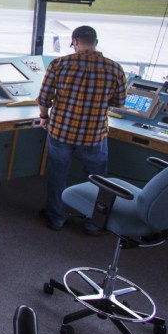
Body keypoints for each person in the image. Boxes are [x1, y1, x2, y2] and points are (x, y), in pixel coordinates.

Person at [37, 25, 126, 234]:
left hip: (61, 132)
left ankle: (56, 217)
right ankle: (94, 222)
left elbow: (44, 98)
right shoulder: (114, 68)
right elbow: (119, 102)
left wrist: (44, 117)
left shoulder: (60, 64)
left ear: (75, 42)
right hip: (94, 135)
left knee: (58, 175)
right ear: (96, 42)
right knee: (98, 180)